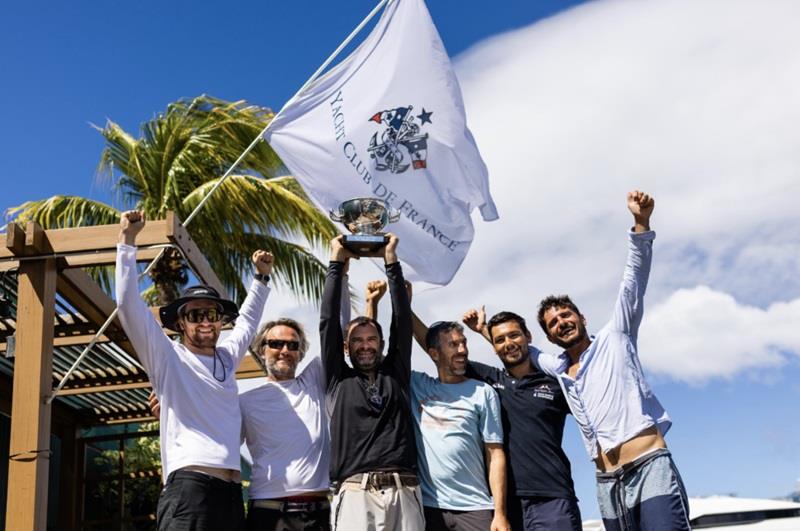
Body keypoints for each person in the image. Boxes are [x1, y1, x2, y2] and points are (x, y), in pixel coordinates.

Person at [532, 190, 690, 530]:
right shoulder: (558, 369)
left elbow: (633, 280)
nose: (562, 322)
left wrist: (640, 223)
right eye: (553, 322)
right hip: (607, 482)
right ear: (549, 335)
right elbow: (525, 353)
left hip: (649, 467)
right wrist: (487, 333)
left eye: (566, 314)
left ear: (582, 317)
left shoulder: (616, 335)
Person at [116, 210, 272, 530]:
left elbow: (248, 322)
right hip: (189, 490)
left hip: (230, 494)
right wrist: (127, 240)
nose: (205, 321)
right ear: (181, 323)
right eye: (195, 314)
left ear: (219, 321)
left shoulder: (227, 360)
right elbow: (128, 306)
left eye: (211, 314)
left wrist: (262, 277)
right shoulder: (168, 358)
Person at [366, 284, 511, 531]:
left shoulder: (482, 392)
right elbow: (369, 355)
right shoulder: (417, 385)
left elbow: (495, 454)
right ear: (434, 354)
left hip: (475, 508)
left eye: (464, 343)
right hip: (427, 507)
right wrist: (375, 303)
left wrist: (499, 513)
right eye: (453, 345)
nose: (463, 350)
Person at [320, 234, 424, 531]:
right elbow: (328, 322)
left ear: (381, 343)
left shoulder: (396, 374)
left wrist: (390, 259)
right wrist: (336, 261)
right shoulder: (338, 380)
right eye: (357, 340)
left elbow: (402, 322)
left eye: (371, 339)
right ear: (346, 347)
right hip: (355, 493)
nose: (365, 346)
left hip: (404, 490)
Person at [460, 308, 582, 531]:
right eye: (499, 340)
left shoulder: (555, 384)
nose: (508, 343)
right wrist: (406, 305)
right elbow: (441, 351)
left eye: (515, 335)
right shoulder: (491, 381)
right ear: (494, 347)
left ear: (529, 336)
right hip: (506, 506)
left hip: (553, 499)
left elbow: (592, 407)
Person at [239, 318, 331, 531]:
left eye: (293, 345)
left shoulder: (314, 381)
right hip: (270, 514)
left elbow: (339, 331)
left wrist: (369, 304)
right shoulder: (244, 402)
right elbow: (215, 439)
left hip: (318, 514)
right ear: (262, 350)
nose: (285, 350)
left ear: (300, 353)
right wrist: (172, 411)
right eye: (276, 344)